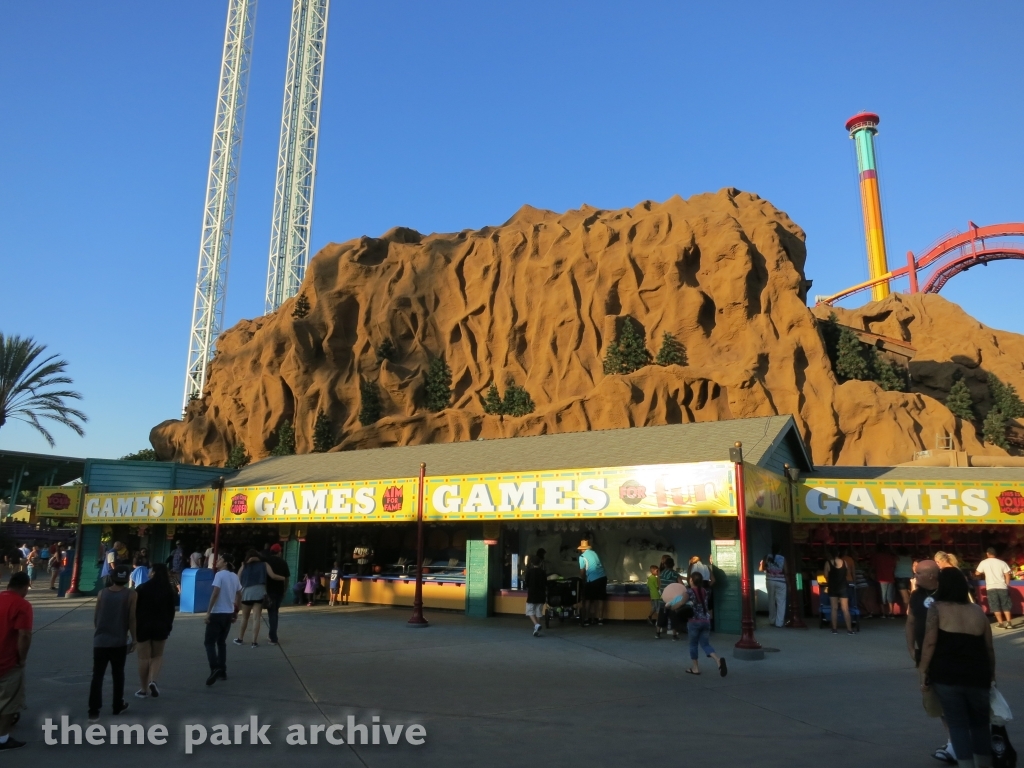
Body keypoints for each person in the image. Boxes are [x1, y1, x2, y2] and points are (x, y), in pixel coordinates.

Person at [919, 567, 995, 768]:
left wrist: (923, 671)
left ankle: (966, 764)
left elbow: (929, 643)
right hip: (978, 675)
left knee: (957, 724)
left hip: (947, 675)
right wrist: (992, 675)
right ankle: (984, 764)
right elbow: (988, 647)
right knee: (980, 724)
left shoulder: (936, 608)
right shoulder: (977, 610)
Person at [905, 560, 957, 765]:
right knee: (936, 701)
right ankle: (953, 740)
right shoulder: (916, 595)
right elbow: (910, 621)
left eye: (918, 573)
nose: (914, 576)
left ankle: (956, 743)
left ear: (932, 576)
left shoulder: (948, 594)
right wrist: (911, 647)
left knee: (949, 700)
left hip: (945, 655)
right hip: (924, 656)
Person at [88, 564, 136, 722]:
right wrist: (134, 638)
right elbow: (131, 619)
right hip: (118, 640)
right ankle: (117, 705)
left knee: (97, 675)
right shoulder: (131, 595)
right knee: (118, 674)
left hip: (100, 640)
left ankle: (94, 711)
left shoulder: (102, 593)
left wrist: (100, 631)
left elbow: (96, 617)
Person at [133, 563, 175, 699]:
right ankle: (153, 681)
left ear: (154, 572)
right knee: (157, 656)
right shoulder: (169, 590)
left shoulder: (142, 588)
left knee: (143, 658)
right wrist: (168, 625)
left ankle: (143, 689)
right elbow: (171, 611)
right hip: (161, 626)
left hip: (143, 625)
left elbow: (134, 609)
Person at [0, 573, 32, 750]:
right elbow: (24, 635)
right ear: (24, 586)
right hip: (7, 660)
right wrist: (22, 658)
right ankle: (2, 738)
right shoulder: (22, 605)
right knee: (9, 700)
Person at [234, 550, 284, 647]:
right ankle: (254, 642)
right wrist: (283, 578)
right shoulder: (264, 564)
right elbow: (273, 576)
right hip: (260, 593)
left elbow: (238, 578)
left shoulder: (244, 565)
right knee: (256, 618)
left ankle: (240, 639)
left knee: (244, 617)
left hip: (246, 593)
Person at [204, 554, 240, 686]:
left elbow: (215, 593)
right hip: (228, 613)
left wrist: (208, 612)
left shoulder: (219, 575)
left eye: (219, 559)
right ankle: (223, 670)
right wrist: (236, 610)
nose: (217, 561)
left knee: (209, 642)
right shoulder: (234, 576)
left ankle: (215, 667)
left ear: (225, 562)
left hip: (217, 612)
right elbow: (239, 593)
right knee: (221, 642)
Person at [684, 572, 727, 677]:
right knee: (705, 644)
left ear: (691, 580)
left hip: (694, 622)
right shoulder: (705, 591)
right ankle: (718, 660)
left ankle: (695, 668)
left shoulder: (689, 592)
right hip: (706, 621)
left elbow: (681, 603)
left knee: (693, 644)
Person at [975, 547, 1013, 629]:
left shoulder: (984, 562)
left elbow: (977, 573)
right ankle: (1009, 623)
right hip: (1002, 586)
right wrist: (1007, 584)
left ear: (987, 554)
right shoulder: (1002, 563)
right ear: (995, 554)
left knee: (995, 605)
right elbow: (1007, 575)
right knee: (1005, 604)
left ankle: (1000, 623)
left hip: (991, 587)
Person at [261, 543, 290, 644]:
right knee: (275, 613)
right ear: (279, 552)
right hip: (279, 591)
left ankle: (273, 637)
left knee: (272, 613)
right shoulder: (283, 562)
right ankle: (272, 635)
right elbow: (287, 579)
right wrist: (285, 590)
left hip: (269, 591)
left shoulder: (266, 562)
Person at [577, 540, 607, 626]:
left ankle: (587, 619)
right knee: (600, 599)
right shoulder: (594, 553)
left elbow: (582, 571)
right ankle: (600, 619)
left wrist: (583, 579)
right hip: (602, 577)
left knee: (588, 599)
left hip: (592, 579)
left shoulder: (582, 557)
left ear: (582, 549)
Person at [825, 549, 854, 635]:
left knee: (834, 608)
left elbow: (826, 575)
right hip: (843, 587)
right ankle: (849, 630)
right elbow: (847, 573)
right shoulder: (844, 562)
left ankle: (834, 629)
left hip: (833, 587)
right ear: (839, 553)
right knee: (845, 609)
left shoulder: (828, 563)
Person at [759, 544, 787, 628]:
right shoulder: (783, 559)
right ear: (780, 550)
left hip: (769, 581)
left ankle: (772, 620)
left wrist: (761, 564)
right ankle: (779, 623)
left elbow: (761, 569)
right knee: (781, 602)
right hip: (781, 582)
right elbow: (786, 571)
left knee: (771, 600)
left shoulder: (766, 557)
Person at [655, 556, 682, 640]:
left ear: (665, 565)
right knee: (673, 617)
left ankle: (657, 633)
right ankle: (674, 636)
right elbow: (681, 585)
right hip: (672, 599)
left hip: (663, 598)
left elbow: (659, 584)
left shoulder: (661, 573)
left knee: (661, 616)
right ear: (673, 565)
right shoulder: (675, 574)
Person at [524, 550, 548, 637]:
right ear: (540, 563)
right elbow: (545, 583)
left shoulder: (529, 572)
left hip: (532, 594)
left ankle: (536, 625)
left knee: (530, 611)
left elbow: (526, 582)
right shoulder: (543, 572)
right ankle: (536, 629)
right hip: (541, 595)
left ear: (531, 563)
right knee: (538, 612)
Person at [872, 544, 897, 618]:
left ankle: (883, 613)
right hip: (890, 578)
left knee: (882, 596)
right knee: (890, 596)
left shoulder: (877, 556)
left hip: (881, 578)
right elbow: (894, 566)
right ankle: (891, 612)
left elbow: (873, 566)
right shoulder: (890, 557)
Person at [895, 547, 915, 611]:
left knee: (905, 597)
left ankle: (908, 612)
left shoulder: (897, 558)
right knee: (911, 595)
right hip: (910, 577)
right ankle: (913, 611)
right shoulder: (909, 558)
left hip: (900, 577)